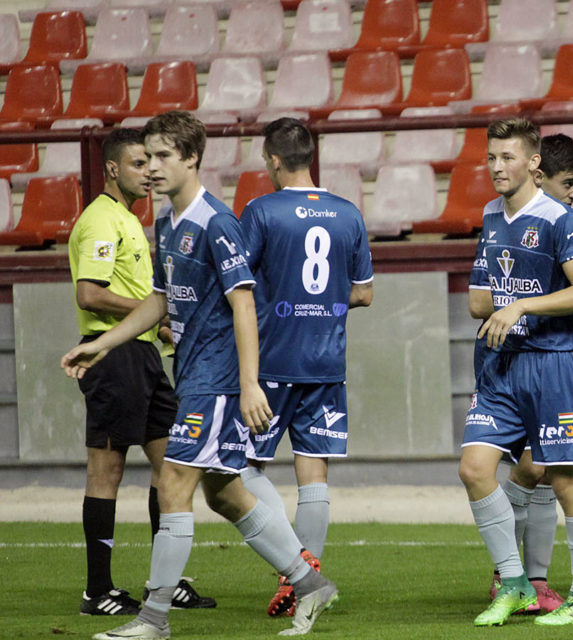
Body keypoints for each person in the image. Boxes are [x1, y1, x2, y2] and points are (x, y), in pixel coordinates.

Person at [61, 111, 336, 640]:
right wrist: (102, 343)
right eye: (148, 157)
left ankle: (153, 618)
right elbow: (159, 301)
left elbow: (245, 305)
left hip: (217, 380)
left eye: (163, 156)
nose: (152, 168)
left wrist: (251, 383)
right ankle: (309, 584)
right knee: (225, 495)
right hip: (190, 374)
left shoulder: (217, 222)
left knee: (172, 484)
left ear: (191, 158)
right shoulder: (165, 223)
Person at [461, 118, 573, 627]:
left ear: (533, 163)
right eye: (492, 157)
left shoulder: (559, 218)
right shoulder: (490, 216)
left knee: (565, 482)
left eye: (508, 158)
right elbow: (480, 298)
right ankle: (516, 584)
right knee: (475, 469)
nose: (497, 167)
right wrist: (497, 304)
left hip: (553, 365)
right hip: (500, 366)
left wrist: (520, 306)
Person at [69, 128, 214, 617]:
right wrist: (152, 312)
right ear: (113, 168)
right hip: (114, 359)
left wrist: (159, 329)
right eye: (137, 163)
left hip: (146, 355)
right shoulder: (101, 222)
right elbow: (90, 293)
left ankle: (164, 582)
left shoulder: (131, 220)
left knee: (170, 465)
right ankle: (97, 591)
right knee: (105, 471)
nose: (147, 172)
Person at [238, 117, 374, 617]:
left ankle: (297, 568)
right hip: (325, 361)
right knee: (312, 471)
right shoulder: (347, 212)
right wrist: (325, 304)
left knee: (241, 467)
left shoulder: (260, 211)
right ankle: (306, 573)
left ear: (274, 160)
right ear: (309, 157)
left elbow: (238, 285)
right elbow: (364, 293)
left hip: (270, 361)